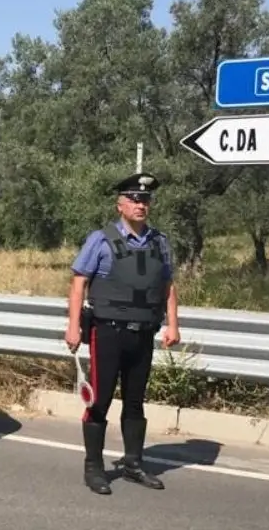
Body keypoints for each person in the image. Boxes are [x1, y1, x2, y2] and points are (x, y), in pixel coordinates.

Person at [64, 172, 180, 495]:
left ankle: (133, 464)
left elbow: (167, 285)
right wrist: (73, 326)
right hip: (107, 333)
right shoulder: (100, 240)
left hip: (143, 334)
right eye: (134, 199)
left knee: (135, 402)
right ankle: (94, 468)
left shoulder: (159, 242)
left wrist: (173, 324)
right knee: (99, 401)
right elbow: (78, 285)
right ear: (120, 205)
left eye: (145, 199)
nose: (141, 204)